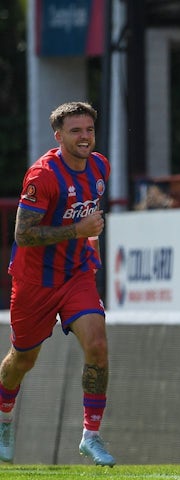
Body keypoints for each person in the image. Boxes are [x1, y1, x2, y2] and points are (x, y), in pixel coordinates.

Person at [0, 102, 115, 466]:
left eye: (89, 130)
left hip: (77, 273)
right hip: (35, 281)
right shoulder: (42, 176)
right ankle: (4, 421)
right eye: (75, 131)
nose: (84, 137)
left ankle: (90, 436)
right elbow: (23, 233)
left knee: (97, 344)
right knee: (23, 359)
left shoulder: (100, 166)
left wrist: (87, 240)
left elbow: (87, 213)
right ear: (59, 136)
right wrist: (77, 230)